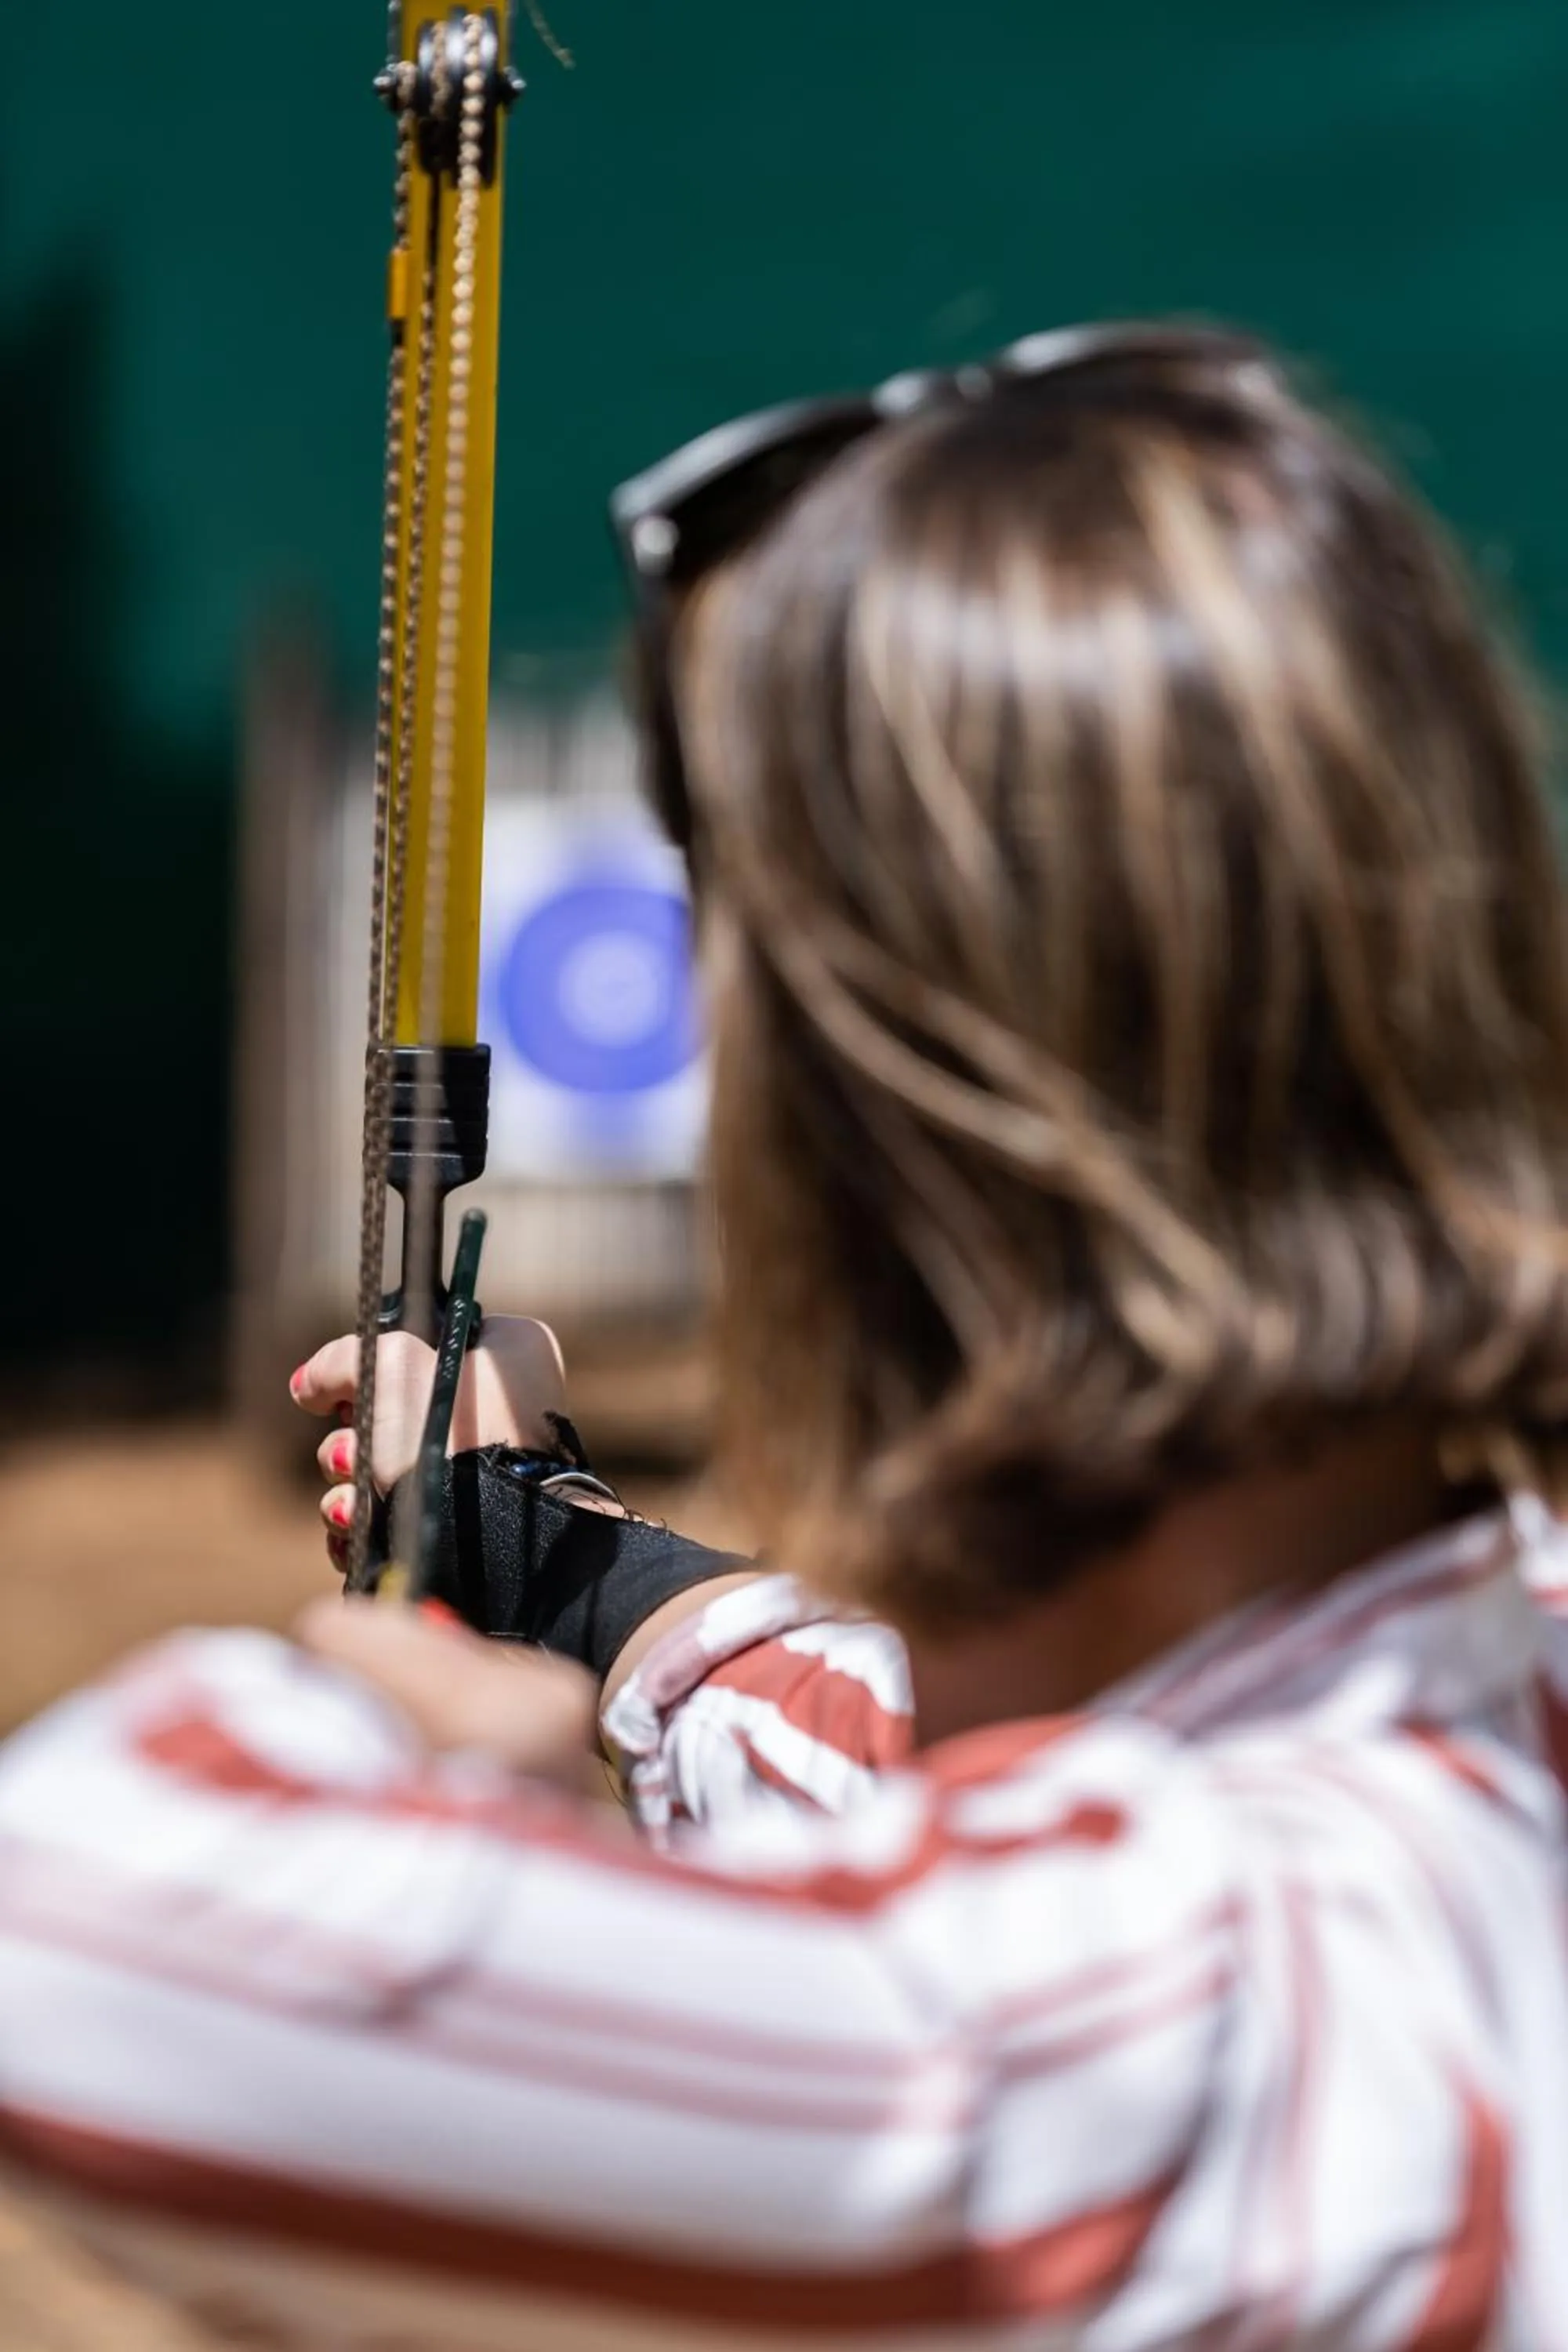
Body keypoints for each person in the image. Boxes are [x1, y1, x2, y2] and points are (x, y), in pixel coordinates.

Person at [3, 322, 1568, 2348]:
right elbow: (957, 1755)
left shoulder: (1193, 2024)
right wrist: (553, 1557)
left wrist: (419, 1759)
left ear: (903, 1141)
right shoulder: (1481, 1696)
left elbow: (85, 1921)